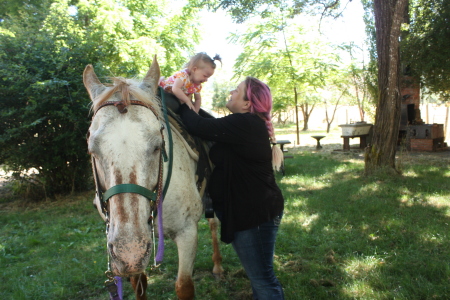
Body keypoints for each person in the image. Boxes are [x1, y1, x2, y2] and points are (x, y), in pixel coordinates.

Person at [179, 76, 285, 300]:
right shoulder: (243, 124)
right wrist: (194, 106)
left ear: (247, 104)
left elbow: (199, 126)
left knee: (263, 280)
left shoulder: (245, 123)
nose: (231, 92)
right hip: (251, 212)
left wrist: (180, 97)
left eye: (236, 91)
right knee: (260, 278)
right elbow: (208, 127)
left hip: (255, 215)